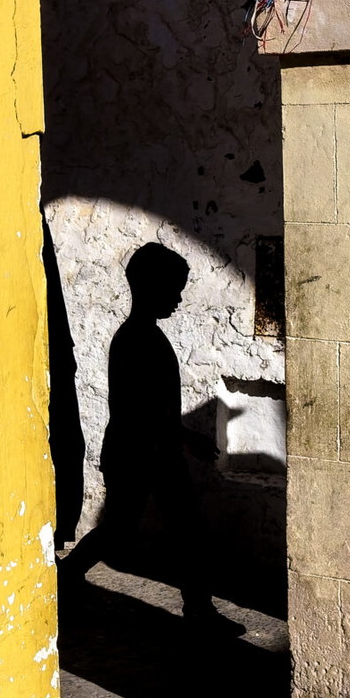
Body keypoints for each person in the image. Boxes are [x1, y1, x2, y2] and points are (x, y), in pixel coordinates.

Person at [59, 242, 242, 635]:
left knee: (143, 527)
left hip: (145, 450)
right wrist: (184, 437)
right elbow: (142, 409)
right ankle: (197, 609)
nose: (178, 298)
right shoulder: (138, 341)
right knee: (147, 528)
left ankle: (195, 606)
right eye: (173, 289)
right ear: (147, 287)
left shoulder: (139, 338)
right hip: (143, 453)